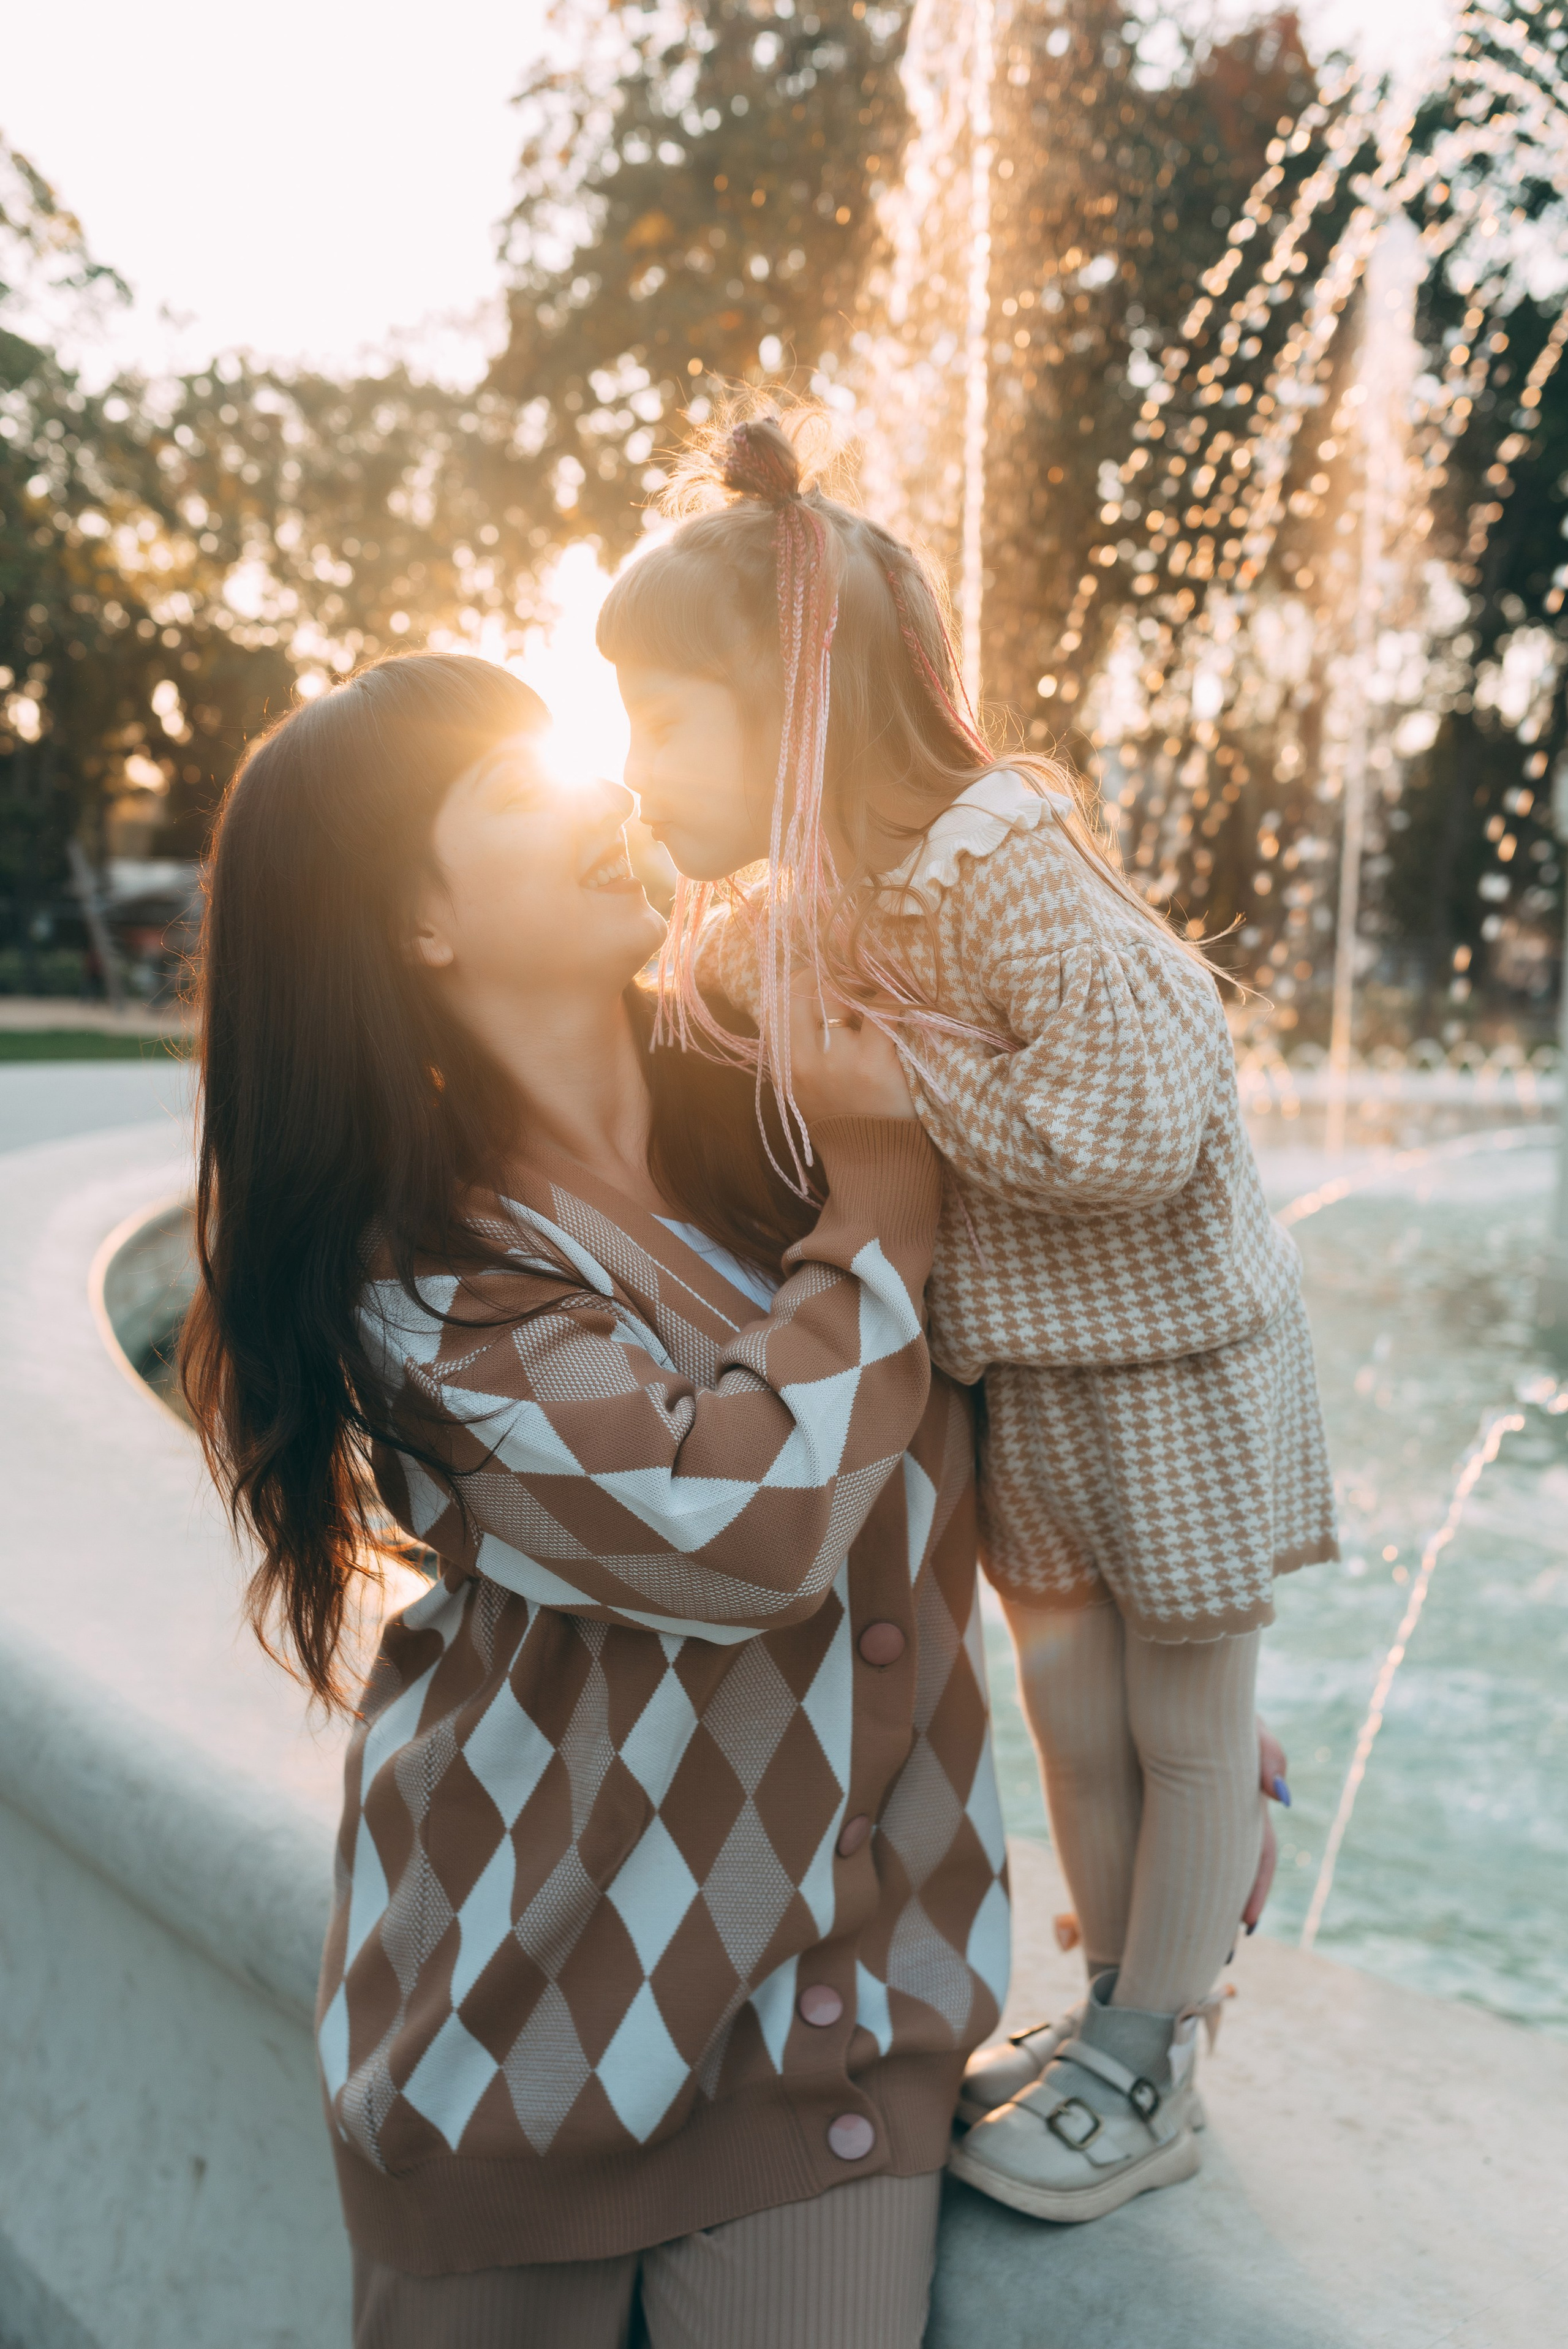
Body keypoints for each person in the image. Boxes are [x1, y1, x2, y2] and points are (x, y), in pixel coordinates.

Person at [181, 650, 1010, 2348]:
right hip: (516, 2052)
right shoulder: (423, 1271)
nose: (610, 794)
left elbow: (1034, 1412)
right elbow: (743, 1535)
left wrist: (1167, 1697)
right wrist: (882, 1211)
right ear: (416, 922)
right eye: (519, 785)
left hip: (834, 2044)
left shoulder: (788, 1130)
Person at [597, 401, 1332, 2225]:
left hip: (1171, 1365)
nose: (629, 764)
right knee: (1071, 1713)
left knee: (1179, 1717)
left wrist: (900, 1090)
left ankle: (1154, 2058)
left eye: (663, 720)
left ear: (798, 710)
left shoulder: (1004, 868)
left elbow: (1140, 1121)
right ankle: (1122, 2014)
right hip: (1042, 1378)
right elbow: (712, 988)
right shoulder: (831, 893)